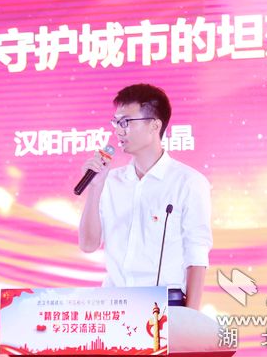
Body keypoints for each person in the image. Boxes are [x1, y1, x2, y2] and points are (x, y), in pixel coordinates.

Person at [78, 83, 213, 310]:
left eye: (126, 122)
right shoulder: (110, 182)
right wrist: (95, 188)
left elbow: (196, 253)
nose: (118, 131)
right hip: (114, 305)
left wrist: (191, 316)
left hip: (165, 306)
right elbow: (88, 245)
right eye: (116, 123)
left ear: (154, 125)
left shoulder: (188, 182)